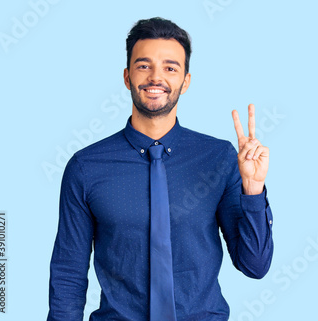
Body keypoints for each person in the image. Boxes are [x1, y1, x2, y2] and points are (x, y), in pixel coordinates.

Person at [47, 17, 274, 320]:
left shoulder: (219, 158)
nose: (156, 77)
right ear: (127, 77)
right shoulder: (85, 167)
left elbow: (255, 266)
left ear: (186, 80)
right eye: (144, 66)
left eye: (170, 68)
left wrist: (254, 189)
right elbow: (68, 274)